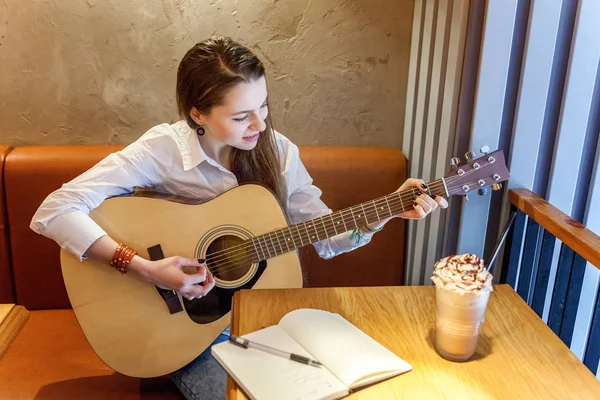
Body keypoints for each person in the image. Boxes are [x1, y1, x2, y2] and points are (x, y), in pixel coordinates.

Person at [30, 36, 448, 400]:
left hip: (261, 319)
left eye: (263, 106)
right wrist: (145, 269)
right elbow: (55, 210)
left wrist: (385, 212)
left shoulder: (279, 152)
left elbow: (325, 237)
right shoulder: (163, 150)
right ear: (197, 114)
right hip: (182, 330)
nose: (260, 124)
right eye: (240, 115)